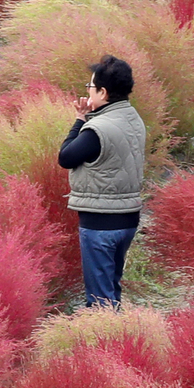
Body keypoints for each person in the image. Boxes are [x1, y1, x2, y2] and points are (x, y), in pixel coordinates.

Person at [59, 55, 146, 308]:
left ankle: (103, 343)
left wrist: (79, 120)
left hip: (100, 223)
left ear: (103, 92)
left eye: (90, 87)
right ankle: (119, 338)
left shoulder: (98, 129)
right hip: (128, 218)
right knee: (111, 289)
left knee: (99, 300)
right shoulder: (134, 119)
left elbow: (66, 157)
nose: (87, 91)